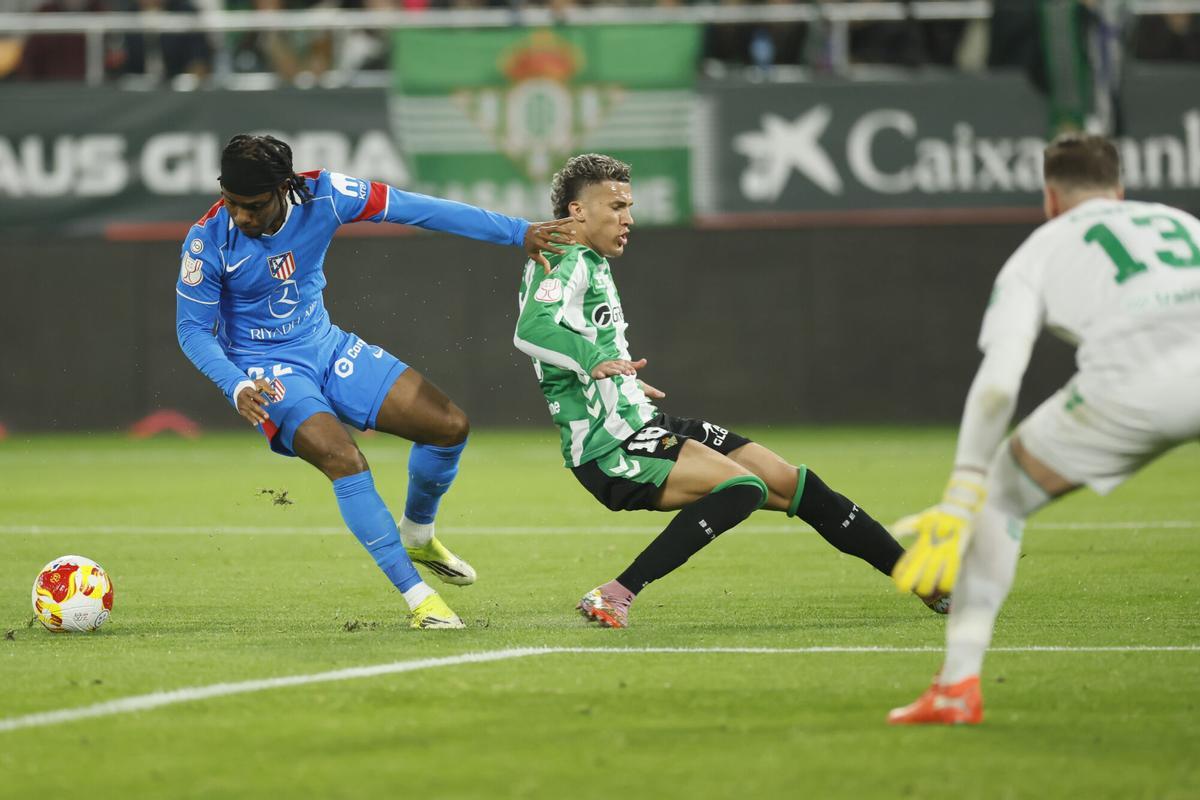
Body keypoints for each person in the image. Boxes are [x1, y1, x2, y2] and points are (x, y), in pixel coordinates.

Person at [512, 153, 947, 628]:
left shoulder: (591, 261)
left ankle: (923, 582)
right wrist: (595, 361)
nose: (628, 218)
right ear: (577, 212)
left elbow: (581, 339)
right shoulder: (563, 255)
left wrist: (620, 376)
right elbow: (531, 330)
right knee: (741, 488)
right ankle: (615, 594)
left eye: (629, 206)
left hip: (641, 421)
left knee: (795, 484)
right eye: (616, 206)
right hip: (609, 446)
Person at [176, 134, 570, 629]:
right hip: (265, 370)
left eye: (252, 206)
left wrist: (517, 232)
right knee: (345, 458)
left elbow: (416, 209)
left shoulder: (327, 196)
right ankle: (420, 600)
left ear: (284, 188)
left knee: (448, 426)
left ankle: (418, 535)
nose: (241, 218)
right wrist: (235, 384)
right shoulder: (207, 240)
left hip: (326, 346)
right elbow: (192, 330)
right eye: (232, 204)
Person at [887, 133, 1200, 724]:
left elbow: (1001, 382)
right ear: (1121, 189)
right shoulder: (1179, 222)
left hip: (1130, 390)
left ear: (1051, 197)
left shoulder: (1042, 247)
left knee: (997, 502)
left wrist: (963, 489)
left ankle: (956, 687)